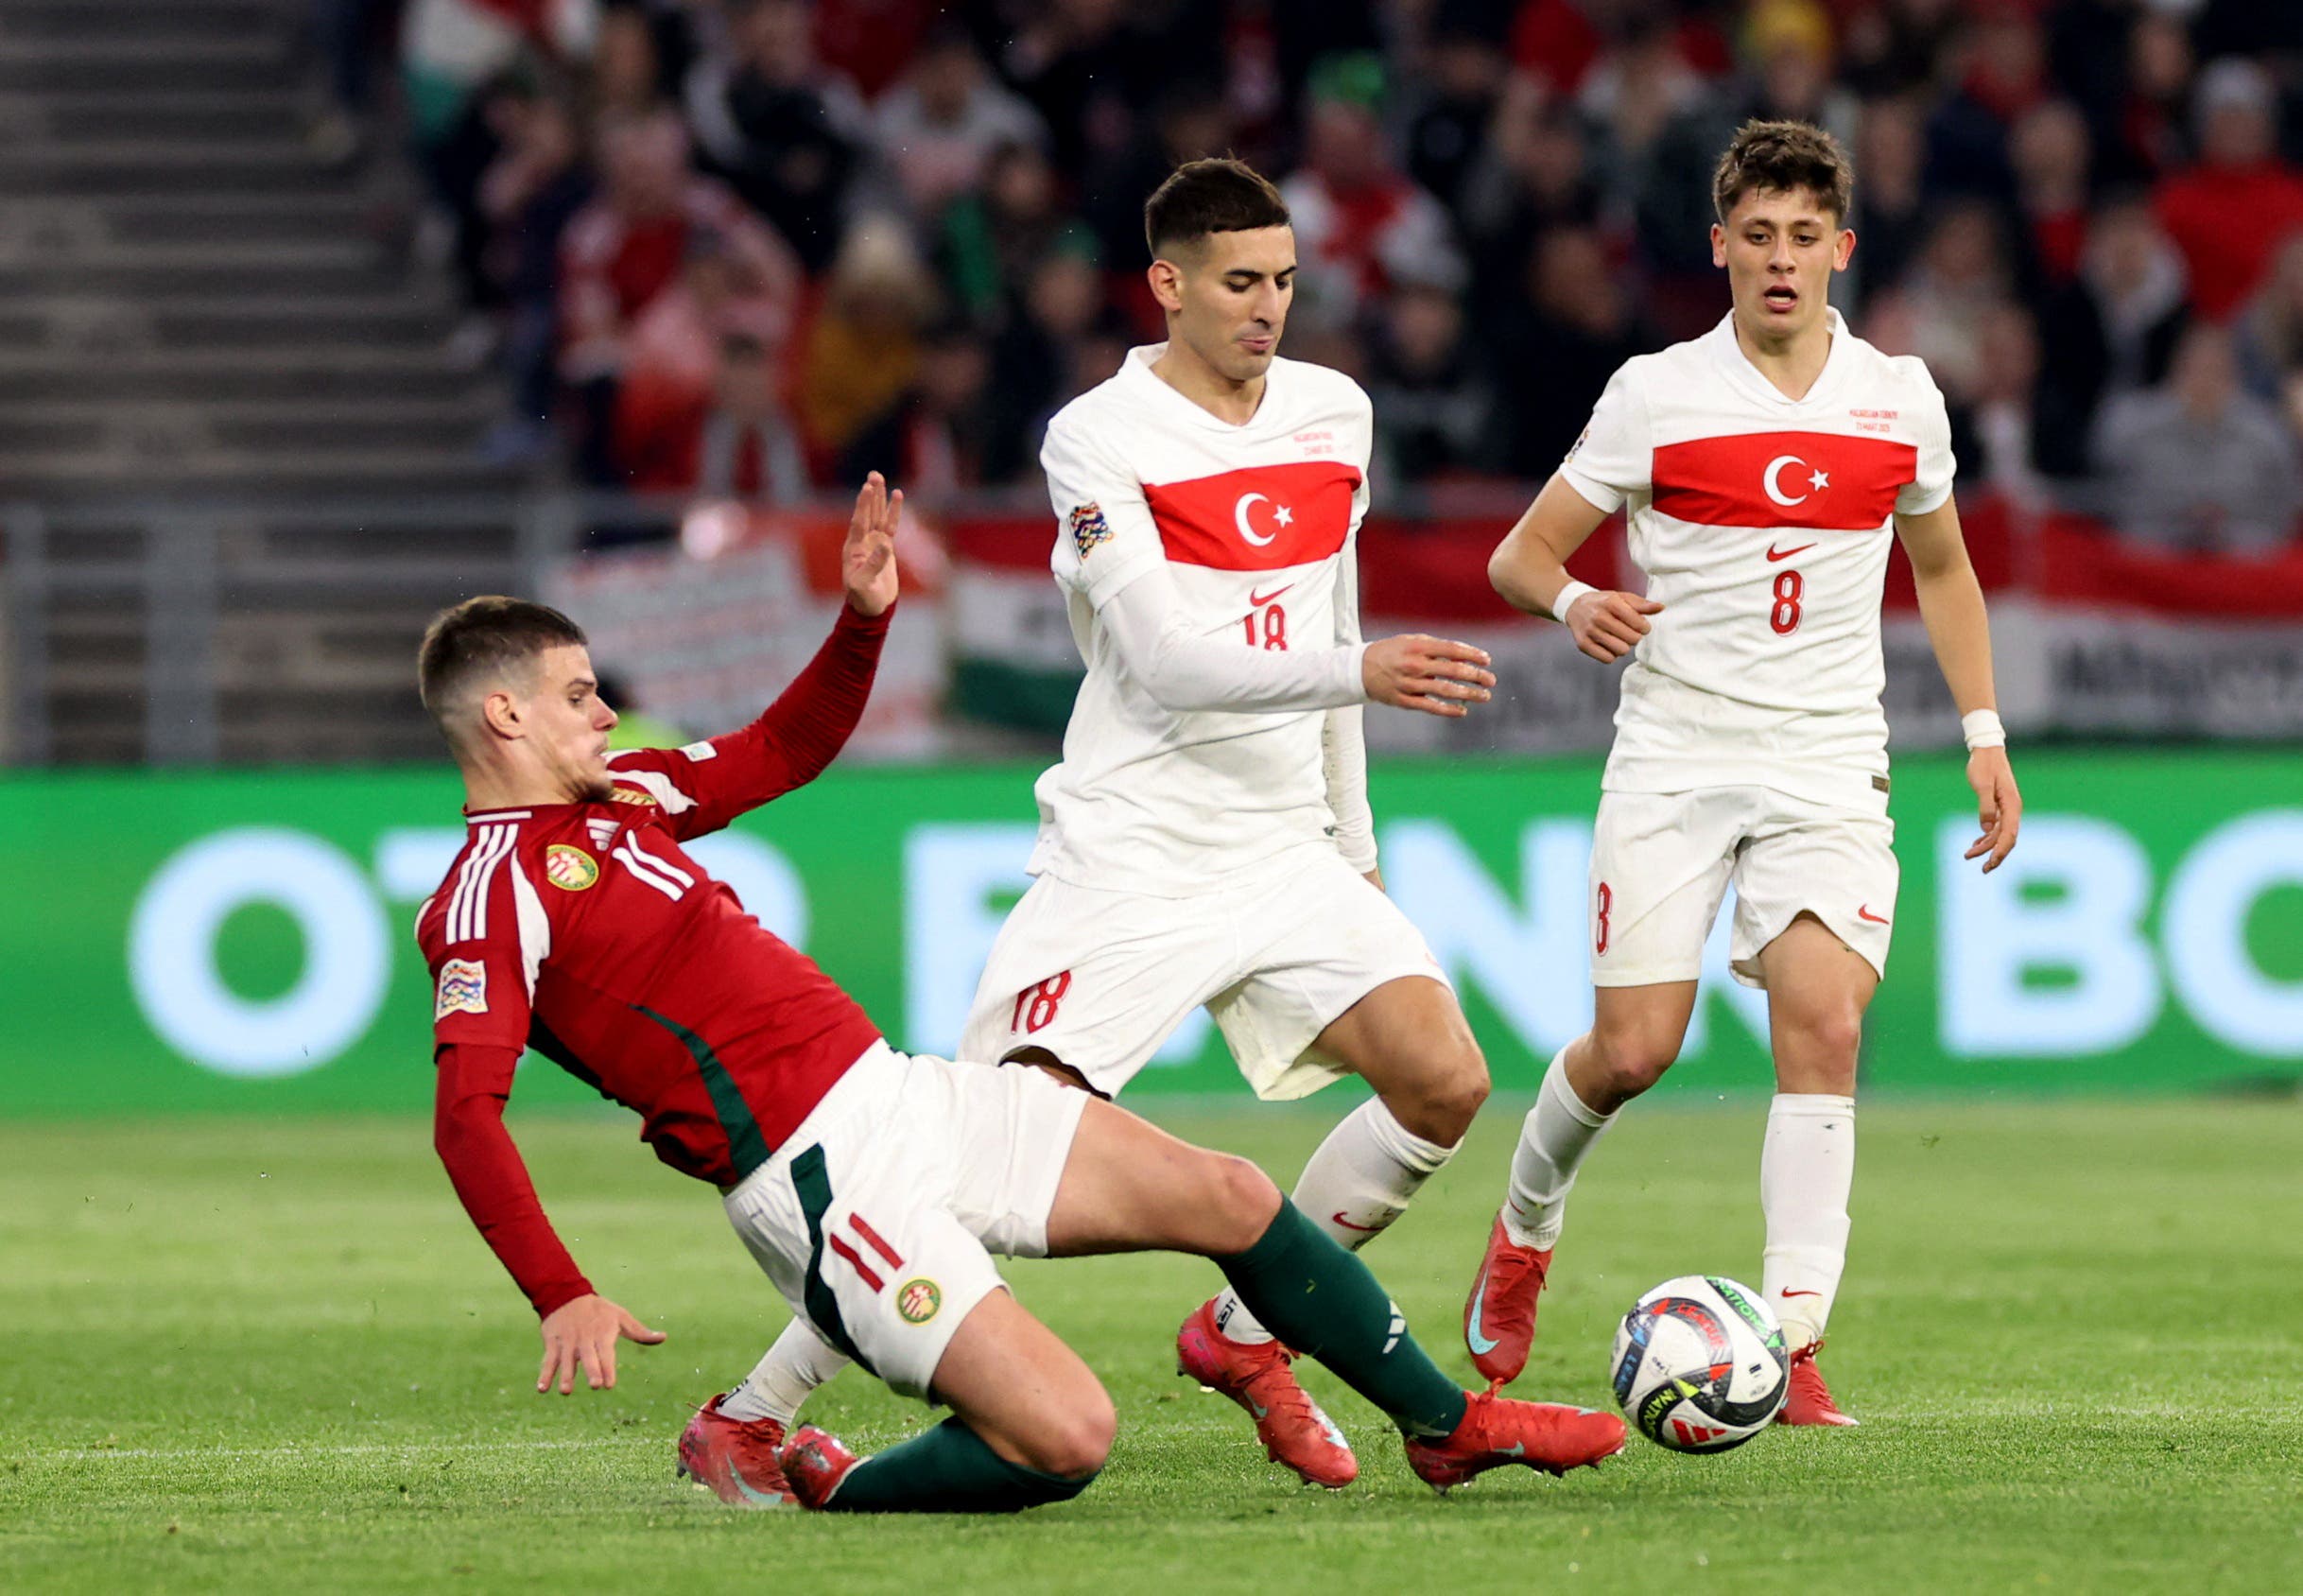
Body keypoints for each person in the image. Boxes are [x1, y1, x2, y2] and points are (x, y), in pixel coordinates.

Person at [417, 475, 1623, 1513]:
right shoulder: (485, 894)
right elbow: (466, 1114)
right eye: (578, 693)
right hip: (823, 1184)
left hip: (905, 1097)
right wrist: (561, 1291)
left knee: (1229, 1190)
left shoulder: (628, 793)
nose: (605, 709)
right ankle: (824, 1478)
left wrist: (861, 620)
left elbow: (782, 749)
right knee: (1068, 1437)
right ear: (504, 712)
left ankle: (1444, 1423)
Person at [723, 158, 1507, 1492]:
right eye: (1243, 283)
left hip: (1282, 843)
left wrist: (1353, 835)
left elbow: (1331, 612)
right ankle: (755, 1407)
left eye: (1286, 283)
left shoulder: (1334, 411)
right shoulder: (1097, 434)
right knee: (992, 1151)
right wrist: (1356, 673)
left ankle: (1247, 1334)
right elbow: (1167, 661)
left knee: (1445, 1079)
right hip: (1136, 844)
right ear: (1169, 287)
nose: (1271, 309)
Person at [1469, 120, 2023, 1427]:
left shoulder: (1899, 397)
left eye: (1804, 239)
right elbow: (1521, 555)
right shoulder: (1657, 394)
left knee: (1824, 1029)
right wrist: (1569, 607)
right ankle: (1524, 1228)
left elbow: (1941, 567)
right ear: (1721, 250)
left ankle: (1793, 1337)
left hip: (1830, 755)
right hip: (1676, 752)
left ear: (1843, 247)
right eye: (1756, 239)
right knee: (1632, 1050)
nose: (1782, 263)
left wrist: (1985, 733)